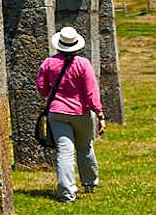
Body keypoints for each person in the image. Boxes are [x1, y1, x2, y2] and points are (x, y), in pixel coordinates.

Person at [36, 26, 105, 203]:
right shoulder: (83, 64)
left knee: (64, 152)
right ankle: (89, 182)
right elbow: (91, 93)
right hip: (80, 112)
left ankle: (67, 192)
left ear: (59, 44)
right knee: (85, 147)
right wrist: (99, 114)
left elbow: (42, 89)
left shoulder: (48, 63)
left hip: (57, 112)